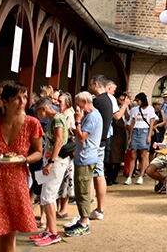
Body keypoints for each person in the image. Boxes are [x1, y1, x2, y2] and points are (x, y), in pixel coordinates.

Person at [0, 81, 44, 252]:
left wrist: (24, 159)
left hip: (16, 184)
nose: (22, 102)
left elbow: (38, 152)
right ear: (5, 101)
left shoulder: (32, 123)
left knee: (7, 239)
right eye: (17, 98)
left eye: (24, 97)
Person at [32, 97, 71, 246]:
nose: (37, 115)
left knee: (48, 196)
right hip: (50, 161)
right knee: (45, 195)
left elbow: (59, 141)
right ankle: (49, 230)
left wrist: (51, 162)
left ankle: (53, 233)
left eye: (37, 111)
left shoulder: (57, 119)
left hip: (56, 162)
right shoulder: (53, 119)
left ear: (43, 109)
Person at [65, 91, 103, 237]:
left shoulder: (92, 116)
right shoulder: (93, 115)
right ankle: (82, 219)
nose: (77, 107)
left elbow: (82, 138)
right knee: (81, 191)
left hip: (86, 158)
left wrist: (78, 121)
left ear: (85, 102)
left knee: (83, 191)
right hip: (84, 157)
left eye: (78, 104)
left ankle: (84, 222)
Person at [88, 74, 114, 221]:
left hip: (96, 142)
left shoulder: (99, 101)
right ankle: (98, 207)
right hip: (102, 141)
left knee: (96, 174)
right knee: (97, 174)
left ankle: (98, 208)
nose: (90, 87)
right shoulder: (108, 100)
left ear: (96, 84)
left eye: (91, 85)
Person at [125, 92, 157, 184]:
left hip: (144, 131)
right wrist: (130, 137)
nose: (137, 102)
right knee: (133, 154)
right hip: (136, 131)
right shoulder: (135, 110)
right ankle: (130, 176)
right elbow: (132, 123)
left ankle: (141, 175)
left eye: (138, 100)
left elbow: (151, 122)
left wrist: (149, 135)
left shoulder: (150, 109)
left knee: (143, 154)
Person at [144, 115, 167, 192]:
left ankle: (162, 181)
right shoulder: (160, 134)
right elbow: (154, 148)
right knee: (149, 170)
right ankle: (164, 181)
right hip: (160, 156)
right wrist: (155, 146)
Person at [106, 92, 129, 185]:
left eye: (124, 100)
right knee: (112, 158)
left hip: (121, 136)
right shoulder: (114, 109)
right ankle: (109, 177)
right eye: (121, 100)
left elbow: (128, 118)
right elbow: (116, 117)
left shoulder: (125, 109)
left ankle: (114, 177)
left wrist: (126, 108)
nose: (122, 102)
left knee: (119, 158)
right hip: (114, 135)